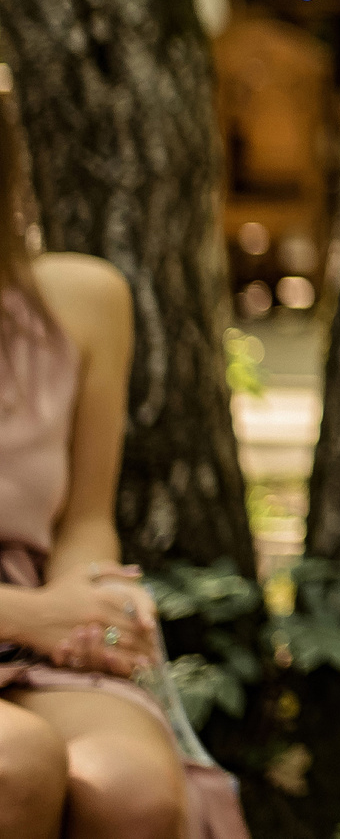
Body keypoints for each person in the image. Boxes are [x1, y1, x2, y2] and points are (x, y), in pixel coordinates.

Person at [0, 115, 187, 839]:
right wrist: (36, 616)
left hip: (33, 637)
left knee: (132, 793)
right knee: (17, 767)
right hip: (26, 620)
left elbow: (83, 517)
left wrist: (92, 611)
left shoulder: (83, 301)